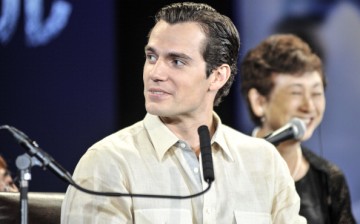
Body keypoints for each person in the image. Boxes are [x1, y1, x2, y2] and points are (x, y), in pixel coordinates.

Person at [61, 2, 305, 223]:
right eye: (151, 56)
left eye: (176, 61)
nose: (155, 73)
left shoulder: (265, 162)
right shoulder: (108, 162)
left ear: (217, 76)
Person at [240, 33, 356, 223]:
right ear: (259, 101)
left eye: (316, 93)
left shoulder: (328, 179)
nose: (309, 106)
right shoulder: (229, 168)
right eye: (296, 92)